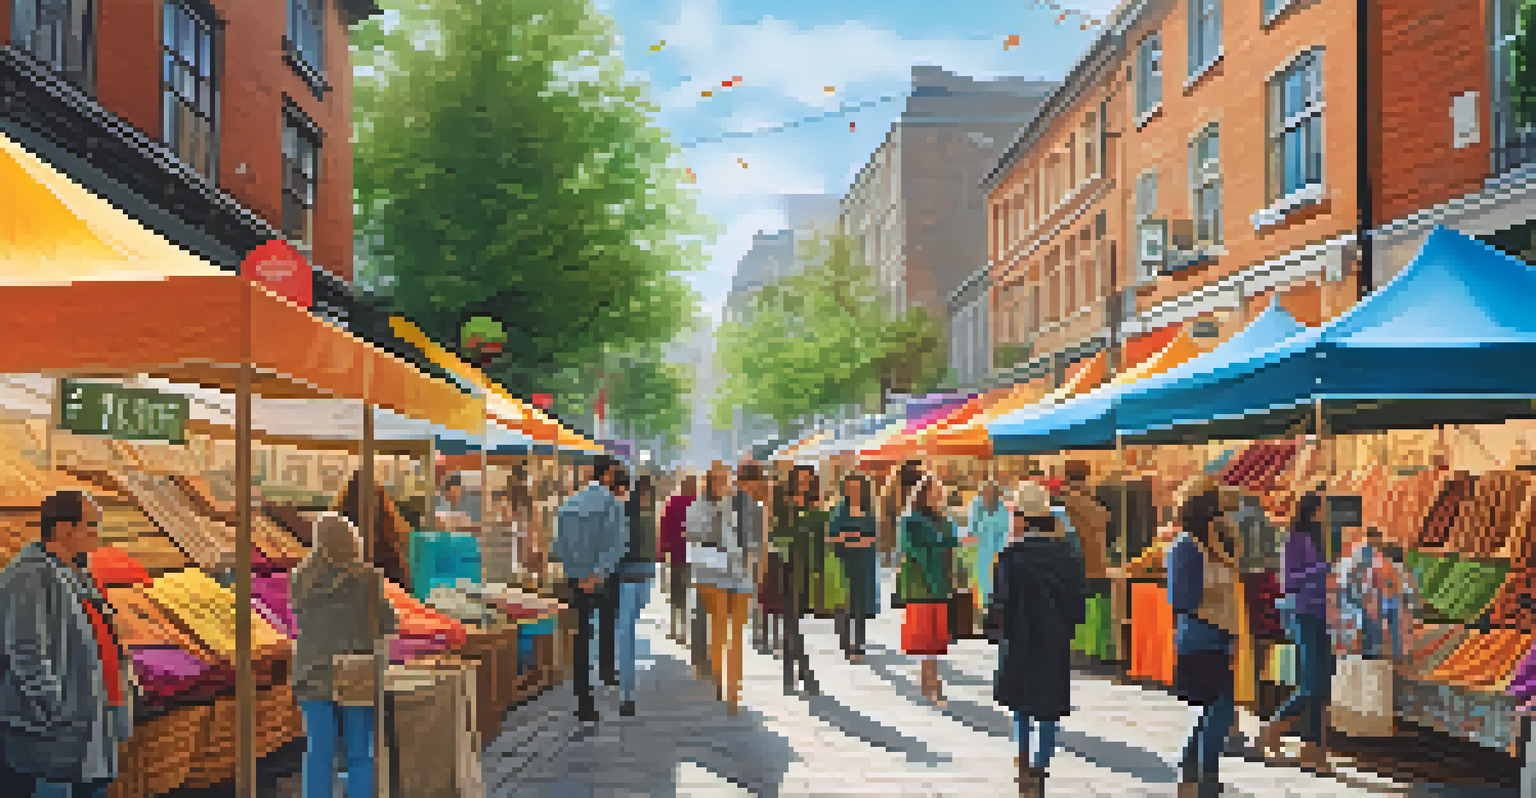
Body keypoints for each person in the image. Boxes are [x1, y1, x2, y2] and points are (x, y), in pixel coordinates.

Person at [0, 491, 135, 798]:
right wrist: (56, 710)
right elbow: (26, 650)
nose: (96, 535)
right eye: (91, 526)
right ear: (63, 529)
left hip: (86, 725)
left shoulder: (75, 572)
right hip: (54, 733)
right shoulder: (30, 576)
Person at [986, 481, 1087, 798]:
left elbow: (998, 604)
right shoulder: (1068, 554)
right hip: (1053, 640)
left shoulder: (1010, 554)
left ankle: (1024, 762)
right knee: (1048, 707)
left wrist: (993, 631)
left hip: (1018, 639)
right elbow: (1077, 604)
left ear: (1024, 518)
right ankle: (1041, 766)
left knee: (1021, 705)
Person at [289, 513, 398, 798]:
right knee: (359, 753)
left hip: (312, 673)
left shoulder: (301, 577)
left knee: (319, 753)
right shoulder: (369, 578)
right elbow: (387, 624)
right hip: (356, 673)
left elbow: (300, 618)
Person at [1166, 483, 1242, 798]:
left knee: (1216, 709)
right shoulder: (1186, 547)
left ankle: (1193, 767)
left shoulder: (1211, 545)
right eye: (1220, 510)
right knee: (1217, 710)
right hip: (1200, 634)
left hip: (1218, 635)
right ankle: (1205, 775)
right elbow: (1180, 598)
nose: (1226, 516)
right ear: (1208, 513)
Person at [1257, 492, 1335, 774]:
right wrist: (1321, 569)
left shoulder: (1320, 540)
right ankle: (1274, 725)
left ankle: (1314, 751)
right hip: (1302, 613)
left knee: (1322, 686)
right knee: (1312, 684)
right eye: (1324, 510)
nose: (1327, 515)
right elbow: (1289, 580)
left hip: (1323, 615)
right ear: (1312, 512)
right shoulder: (1294, 540)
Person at [554, 455, 629, 724]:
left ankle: (583, 700)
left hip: (576, 577)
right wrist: (597, 573)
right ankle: (605, 674)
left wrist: (576, 572)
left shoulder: (568, 504)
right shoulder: (614, 505)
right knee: (605, 627)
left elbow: (559, 544)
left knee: (580, 637)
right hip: (602, 577)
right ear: (606, 474)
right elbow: (618, 544)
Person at [897, 463, 961, 707]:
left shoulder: (945, 521)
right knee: (925, 637)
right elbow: (911, 549)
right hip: (921, 584)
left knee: (937, 637)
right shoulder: (911, 520)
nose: (940, 497)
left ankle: (930, 680)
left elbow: (953, 546)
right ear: (924, 494)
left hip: (942, 583)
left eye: (941, 493)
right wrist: (940, 547)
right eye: (935, 493)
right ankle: (931, 682)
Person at [686, 463, 744, 708]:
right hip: (709, 569)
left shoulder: (734, 504)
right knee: (715, 622)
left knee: (731, 625)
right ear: (709, 482)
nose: (723, 483)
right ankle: (718, 676)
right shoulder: (699, 506)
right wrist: (716, 517)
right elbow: (693, 533)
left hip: (733, 568)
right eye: (718, 479)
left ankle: (727, 676)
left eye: (726, 479)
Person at [774, 464, 825, 696]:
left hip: (808, 567)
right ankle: (802, 673)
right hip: (786, 565)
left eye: (808, 479)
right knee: (790, 621)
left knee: (792, 622)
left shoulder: (816, 506)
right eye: (800, 479)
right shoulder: (783, 503)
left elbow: (822, 537)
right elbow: (776, 534)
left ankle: (792, 675)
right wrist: (802, 529)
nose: (804, 483)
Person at [611, 475, 658, 716]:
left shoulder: (625, 514)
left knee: (626, 631)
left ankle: (627, 694)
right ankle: (626, 695)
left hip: (631, 577)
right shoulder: (645, 516)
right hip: (637, 578)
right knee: (627, 632)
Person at [829, 471, 878, 661]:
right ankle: (846, 642)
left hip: (864, 562)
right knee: (846, 604)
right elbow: (833, 537)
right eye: (850, 488)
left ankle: (858, 644)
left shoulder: (868, 511)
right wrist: (858, 538)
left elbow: (872, 539)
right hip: (843, 562)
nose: (854, 492)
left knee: (861, 604)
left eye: (857, 488)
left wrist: (848, 537)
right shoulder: (840, 510)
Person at [596, 465, 633, 691]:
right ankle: (607, 670)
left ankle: (607, 668)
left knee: (607, 621)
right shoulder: (615, 507)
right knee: (610, 621)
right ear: (620, 488)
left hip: (603, 569)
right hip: (611, 570)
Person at [733, 462, 771, 657]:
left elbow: (764, 532)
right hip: (739, 554)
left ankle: (760, 635)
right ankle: (753, 634)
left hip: (753, 553)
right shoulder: (733, 501)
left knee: (758, 597)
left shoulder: (762, 501)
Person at [658, 474, 698, 643]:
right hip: (695, 556)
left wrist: (662, 552)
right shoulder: (699, 503)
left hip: (676, 555)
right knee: (692, 594)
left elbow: (664, 528)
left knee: (676, 593)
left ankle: (676, 629)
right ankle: (689, 631)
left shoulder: (672, 502)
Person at [970, 481, 1010, 608]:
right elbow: (972, 529)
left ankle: (994, 606)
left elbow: (1005, 531)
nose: (987, 496)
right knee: (982, 581)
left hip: (997, 550)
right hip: (981, 550)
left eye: (991, 493)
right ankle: (983, 605)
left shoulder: (1002, 509)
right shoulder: (976, 507)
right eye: (985, 493)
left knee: (996, 580)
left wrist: (998, 551)